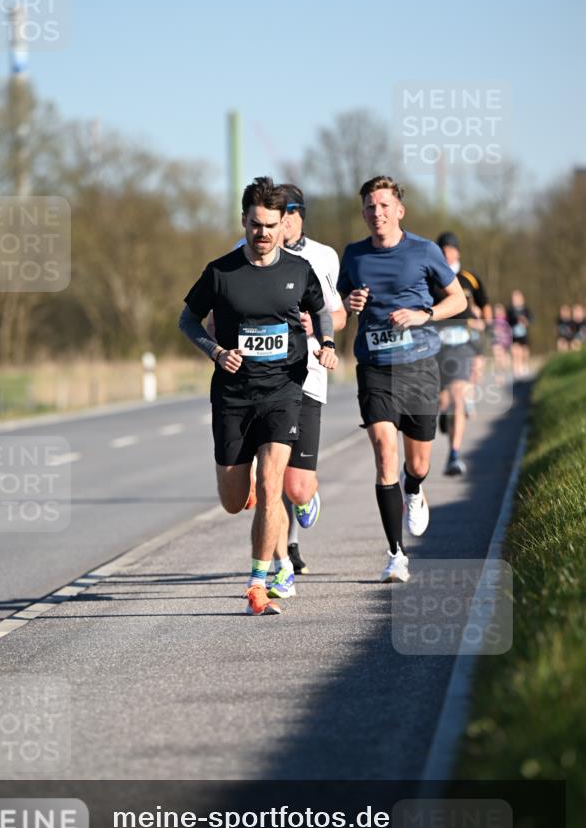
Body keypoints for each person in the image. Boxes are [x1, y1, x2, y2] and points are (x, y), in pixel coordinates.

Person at [178, 177, 338, 615]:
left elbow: (321, 310)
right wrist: (214, 350)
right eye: (255, 225)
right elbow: (187, 320)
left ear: (282, 223)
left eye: (271, 225)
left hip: (284, 392)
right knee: (233, 501)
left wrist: (327, 344)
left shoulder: (298, 270)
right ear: (243, 221)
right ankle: (243, 488)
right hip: (232, 396)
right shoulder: (220, 272)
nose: (263, 233)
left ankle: (258, 582)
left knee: (272, 487)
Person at [337, 176, 467, 583]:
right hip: (375, 366)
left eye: (384, 205)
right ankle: (396, 555)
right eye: (370, 207)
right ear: (363, 213)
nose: (377, 213)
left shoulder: (424, 251)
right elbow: (339, 312)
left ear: (399, 210)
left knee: (419, 462)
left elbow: (458, 299)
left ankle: (414, 489)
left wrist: (422, 315)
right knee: (382, 450)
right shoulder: (354, 255)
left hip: (420, 365)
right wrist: (348, 303)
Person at [265, 183, 346, 595]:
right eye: (281, 212)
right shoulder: (254, 252)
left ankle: (306, 498)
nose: (287, 219)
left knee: (296, 485)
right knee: (271, 475)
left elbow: (339, 315)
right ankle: (282, 565)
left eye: (293, 211)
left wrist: (320, 329)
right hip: (266, 380)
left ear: (301, 215)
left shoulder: (324, 256)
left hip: (310, 374)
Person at [434, 232, 491, 475]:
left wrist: (483, 324)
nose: (446, 253)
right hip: (437, 346)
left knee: (458, 395)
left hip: (463, 344)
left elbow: (485, 305)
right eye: (442, 249)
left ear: (457, 251)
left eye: (450, 249)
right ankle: (446, 419)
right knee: (443, 401)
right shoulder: (431, 278)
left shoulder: (469, 278)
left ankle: (454, 454)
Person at [506, 290, 533, 377]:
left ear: (522, 299)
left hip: (523, 335)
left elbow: (531, 319)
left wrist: (525, 321)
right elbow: (507, 320)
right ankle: (516, 370)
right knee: (516, 352)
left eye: (517, 298)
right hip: (513, 335)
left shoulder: (526, 309)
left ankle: (524, 365)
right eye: (514, 298)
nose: (515, 300)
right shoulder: (510, 310)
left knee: (524, 352)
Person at [491, 303, 513, 381]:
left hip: (504, 341)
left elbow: (509, 330)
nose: (498, 312)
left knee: (503, 360)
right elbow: (489, 330)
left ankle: (502, 374)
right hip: (495, 341)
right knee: (497, 358)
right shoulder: (492, 320)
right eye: (496, 311)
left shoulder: (506, 319)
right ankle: (498, 376)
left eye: (499, 310)